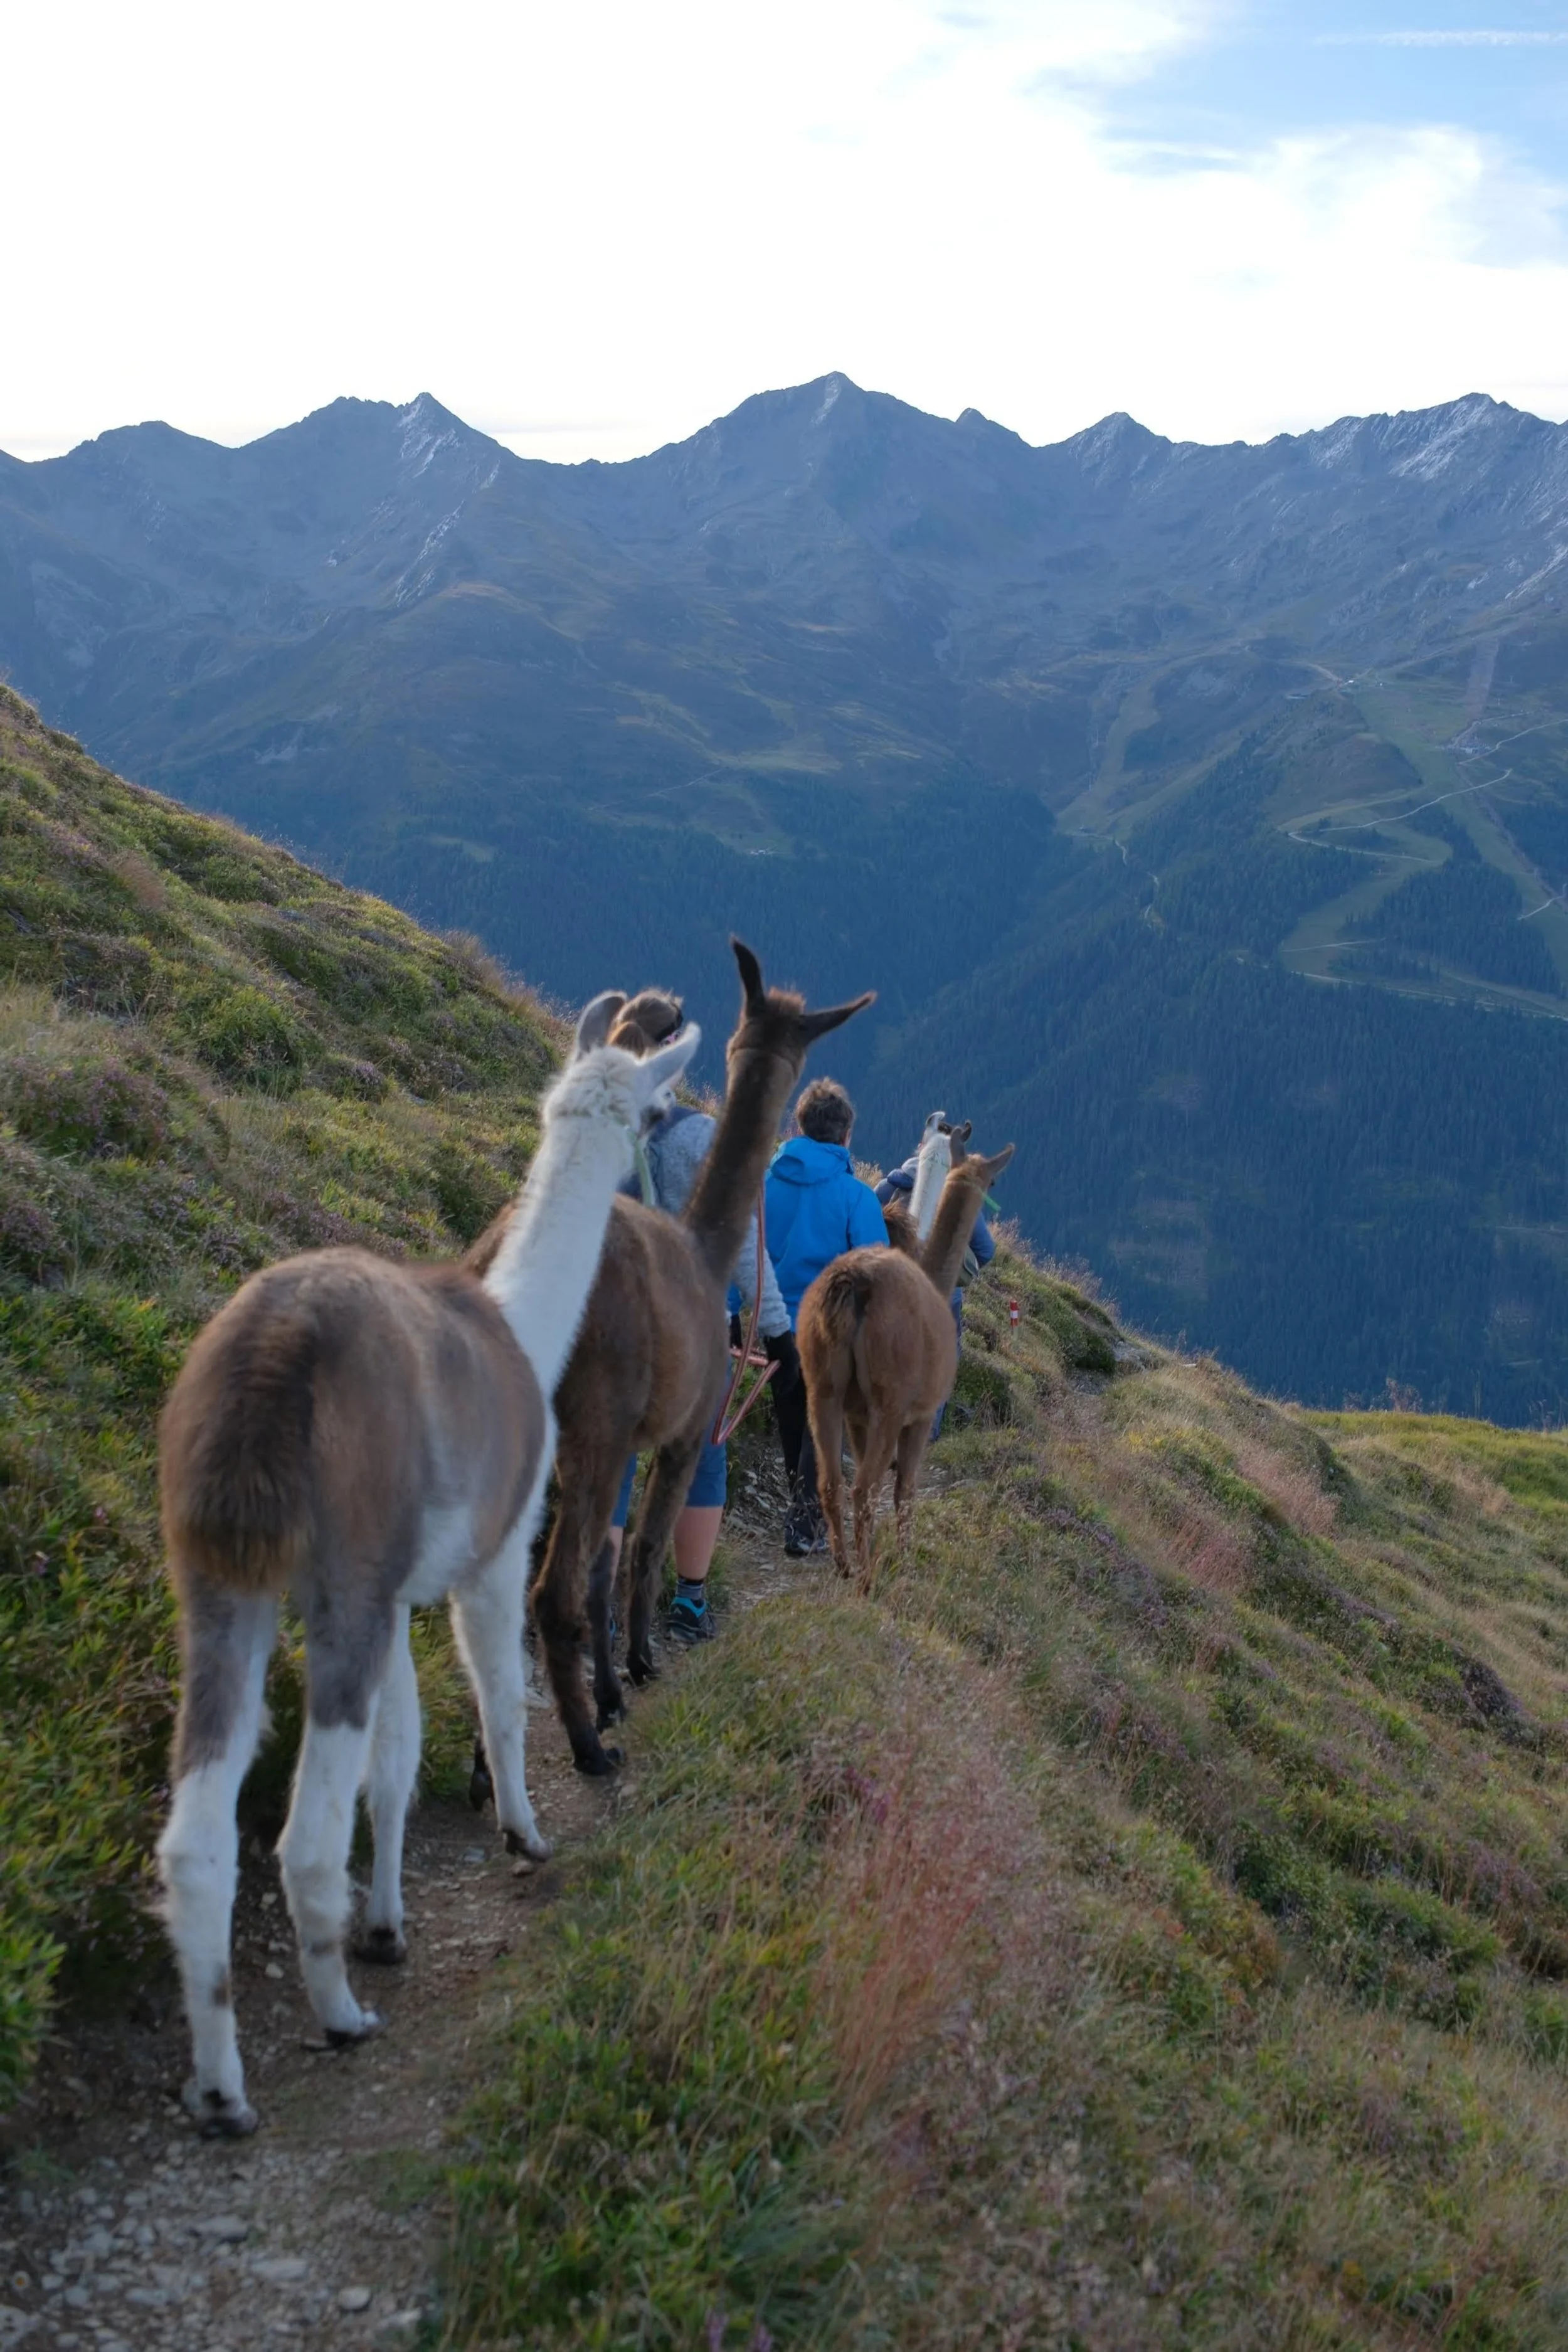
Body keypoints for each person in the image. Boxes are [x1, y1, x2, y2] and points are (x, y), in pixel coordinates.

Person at [603, 989, 799, 1643]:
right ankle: (688, 1603)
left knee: (609, 1458)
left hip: (608, 1320)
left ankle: (596, 1602)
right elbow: (741, 1241)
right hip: (692, 1323)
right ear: (674, 1054)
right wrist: (774, 1326)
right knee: (697, 1457)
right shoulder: (699, 1137)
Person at [765, 1076, 889, 1554]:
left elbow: (745, 1251)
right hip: (832, 1331)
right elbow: (874, 1268)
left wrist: (737, 1315)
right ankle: (804, 1523)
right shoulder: (855, 1196)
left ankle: (801, 1510)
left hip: (776, 1322)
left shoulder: (767, 1181)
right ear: (846, 1136)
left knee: (793, 1416)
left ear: (800, 1126)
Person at [875, 1110, 999, 1436]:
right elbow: (986, 1251)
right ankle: (923, 1437)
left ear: (921, 1148)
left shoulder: (888, 1188)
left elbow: (865, 1234)